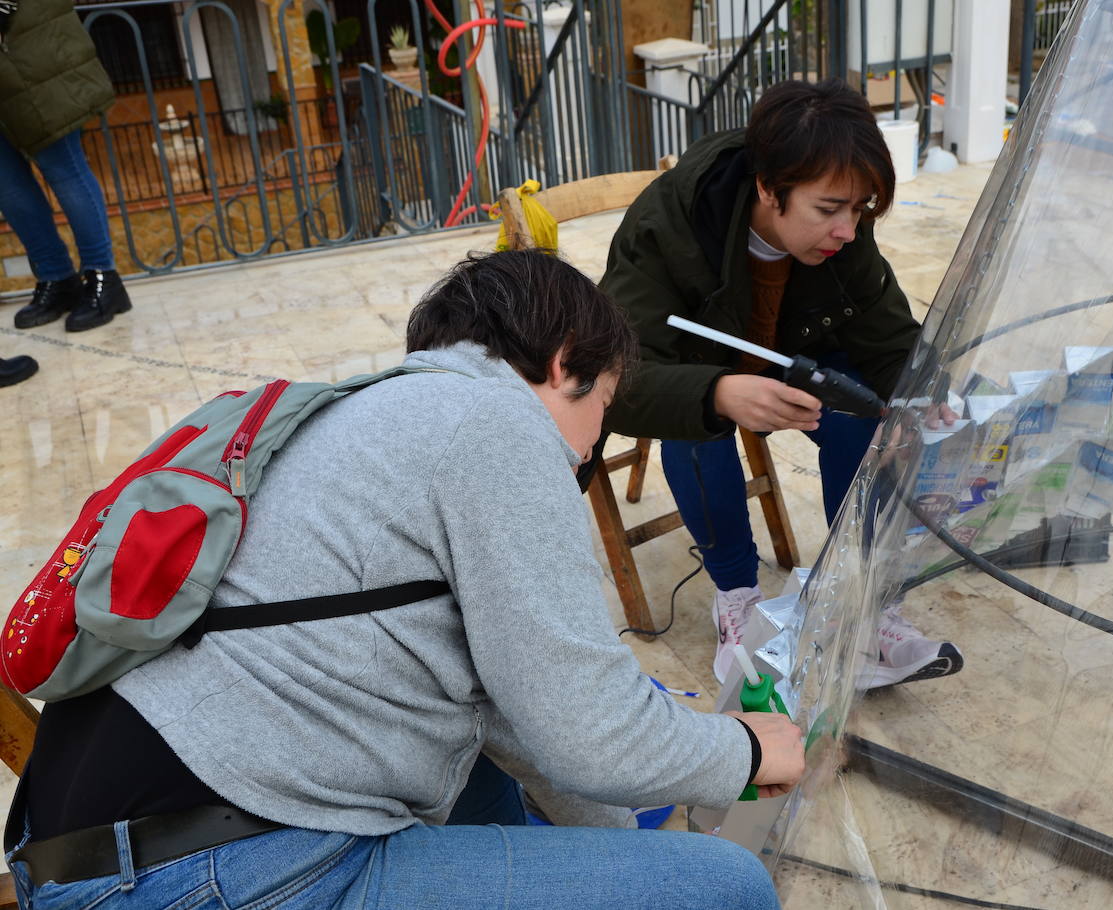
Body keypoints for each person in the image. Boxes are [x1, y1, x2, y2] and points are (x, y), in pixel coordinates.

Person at [4, 250, 803, 909]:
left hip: (78, 847)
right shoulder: (496, 427)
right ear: (566, 364)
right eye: (606, 405)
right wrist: (739, 750)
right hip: (206, 873)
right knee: (725, 889)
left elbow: (521, 725)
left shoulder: (360, 416)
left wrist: (620, 856)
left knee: (483, 778)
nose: (593, 446)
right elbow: (590, 732)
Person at [599, 78, 963, 688]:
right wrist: (717, 393)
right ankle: (736, 597)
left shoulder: (843, 231)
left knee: (871, 421)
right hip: (700, 365)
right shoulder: (667, 229)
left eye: (860, 209)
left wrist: (923, 393)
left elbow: (887, 332)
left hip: (793, 357)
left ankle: (863, 598)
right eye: (829, 210)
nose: (847, 229)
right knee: (694, 435)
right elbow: (619, 380)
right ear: (769, 190)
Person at [0, 0, 132, 333]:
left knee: (62, 165)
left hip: (28, 43)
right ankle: (56, 277)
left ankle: (103, 277)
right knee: (6, 182)